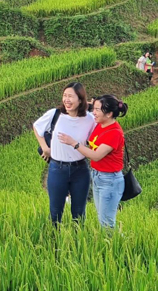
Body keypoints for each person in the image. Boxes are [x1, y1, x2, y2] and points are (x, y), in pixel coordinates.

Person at [58, 95, 127, 229]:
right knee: (102, 219)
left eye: (97, 110)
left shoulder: (114, 133)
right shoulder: (100, 124)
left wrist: (73, 143)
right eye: (93, 109)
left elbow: (96, 156)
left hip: (110, 180)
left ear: (109, 114)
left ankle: (117, 248)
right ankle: (111, 246)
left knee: (106, 223)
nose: (93, 113)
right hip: (98, 176)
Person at [33, 82, 96, 225]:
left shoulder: (89, 119)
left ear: (80, 99)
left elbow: (97, 138)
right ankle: (54, 243)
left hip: (80, 170)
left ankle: (76, 243)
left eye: (71, 96)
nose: (67, 100)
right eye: (64, 96)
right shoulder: (55, 114)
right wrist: (45, 148)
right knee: (55, 212)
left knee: (79, 214)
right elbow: (37, 127)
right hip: (57, 169)